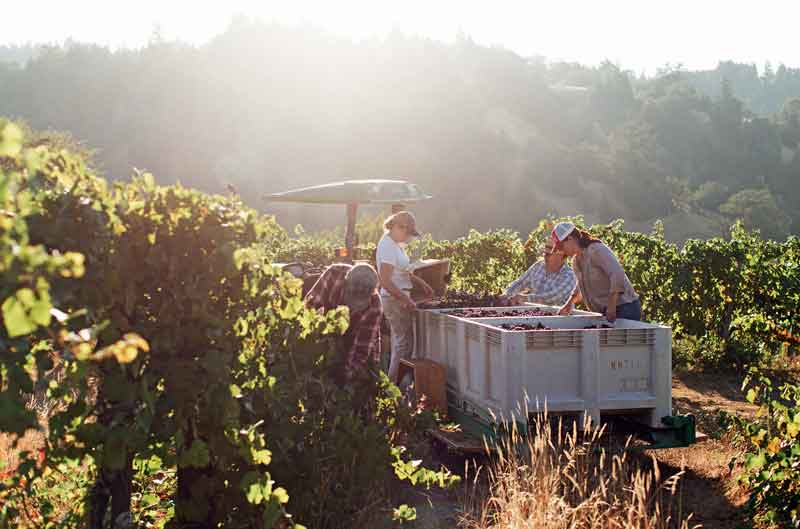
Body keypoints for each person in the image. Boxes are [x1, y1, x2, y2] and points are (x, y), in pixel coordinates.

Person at [376, 211, 434, 383]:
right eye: (407, 233)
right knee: (403, 345)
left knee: (401, 344)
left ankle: (394, 387)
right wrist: (405, 299)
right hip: (394, 300)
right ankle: (393, 388)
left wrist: (421, 283)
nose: (408, 238)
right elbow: (385, 281)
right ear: (397, 227)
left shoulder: (394, 245)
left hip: (398, 298)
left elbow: (402, 271)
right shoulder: (387, 246)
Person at [304, 263, 383, 382]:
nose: (351, 309)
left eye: (359, 305)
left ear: (372, 293)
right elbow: (310, 309)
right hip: (324, 335)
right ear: (346, 283)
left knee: (362, 380)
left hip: (355, 341)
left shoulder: (375, 306)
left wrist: (346, 374)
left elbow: (361, 348)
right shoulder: (333, 275)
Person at [552, 222, 641, 322]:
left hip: (624, 308)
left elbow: (617, 274)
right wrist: (569, 304)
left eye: (561, 246)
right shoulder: (576, 261)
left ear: (570, 239)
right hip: (606, 311)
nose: (561, 251)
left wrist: (612, 305)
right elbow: (581, 286)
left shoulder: (596, 249)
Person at [504, 237, 576, 306]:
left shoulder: (569, 276)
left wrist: (525, 298)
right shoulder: (539, 266)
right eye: (545, 252)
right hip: (535, 312)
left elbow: (551, 298)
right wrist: (505, 295)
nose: (544, 255)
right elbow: (520, 282)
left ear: (561, 253)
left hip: (556, 314)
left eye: (548, 254)